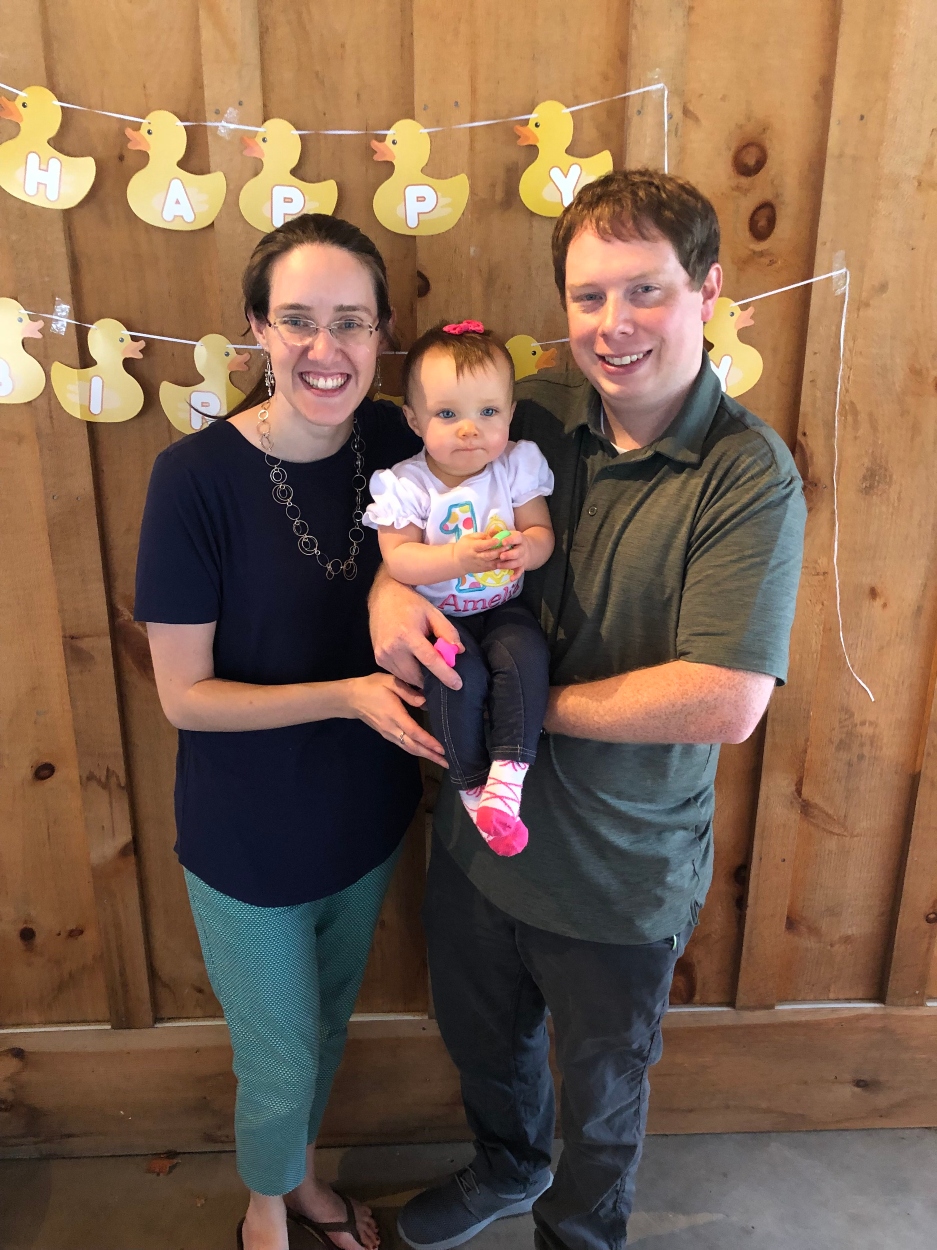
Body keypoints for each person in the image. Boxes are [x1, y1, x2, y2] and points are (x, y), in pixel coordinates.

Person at [369, 170, 807, 1250]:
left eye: (645, 290)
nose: (614, 325)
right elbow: (417, 509)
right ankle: (507, 1168)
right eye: (588, 295)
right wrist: (387, 590)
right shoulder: (532, 412)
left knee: (602, 1101)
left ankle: (577, 1231)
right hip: (477, 842)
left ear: (707, 290)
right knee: (484, 1044)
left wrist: (516, 713)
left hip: (618, 869)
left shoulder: (746, 475)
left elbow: (726, 698)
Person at [135, 214, 452, 1250]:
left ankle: (303, 1182)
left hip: (366, 816)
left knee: (323, 1025)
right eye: (298, 320)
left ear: (383, 332)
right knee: (276, 1054)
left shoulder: (399, 440)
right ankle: (264, 1210)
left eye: (351, 322)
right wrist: (349, 693)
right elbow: (184, 696)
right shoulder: (194, 478)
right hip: (247, 834)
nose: (326, 348)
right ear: (256, 329)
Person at [364, 320, 555, 856]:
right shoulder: (406, 484)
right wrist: (456, 557)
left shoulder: (514, 465)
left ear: (510, 414)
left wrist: (527, 548)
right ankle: (471, 786)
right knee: (457, 679)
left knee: (525, 657)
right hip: (440, 617)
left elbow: (541, 532)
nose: (470, 430)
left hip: (502, 606)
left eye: (488, 412)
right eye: (448, 414)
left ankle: (509, 776)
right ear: (414, 420)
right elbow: (398, 559)